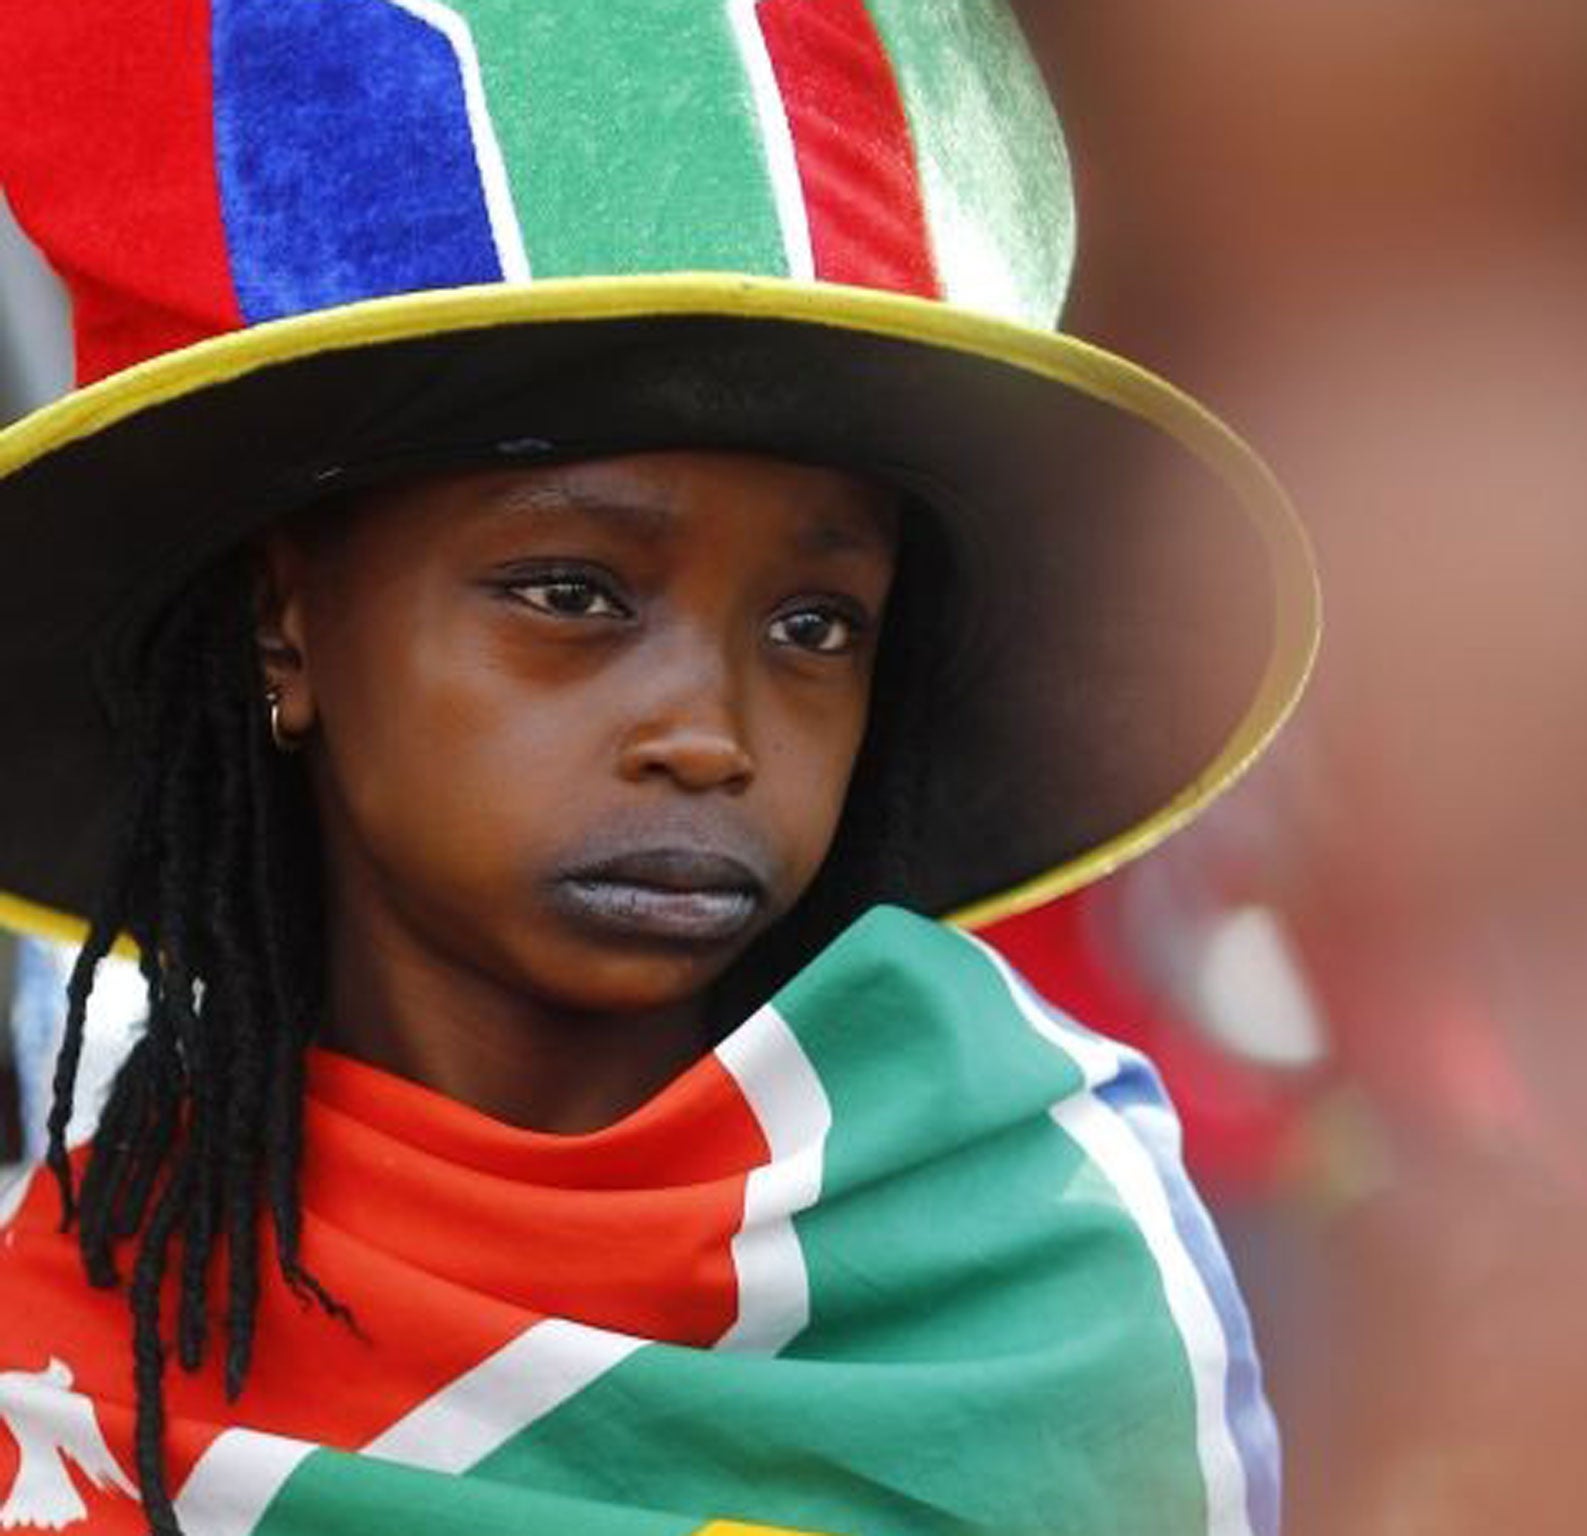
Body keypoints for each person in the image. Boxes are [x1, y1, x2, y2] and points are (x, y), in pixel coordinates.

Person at [0, 5, 1316, 1534]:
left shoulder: (1052, 1262)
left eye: (818, 624)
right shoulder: (73, 1360)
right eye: (573, 594)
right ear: (282, 624)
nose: (709, 733)